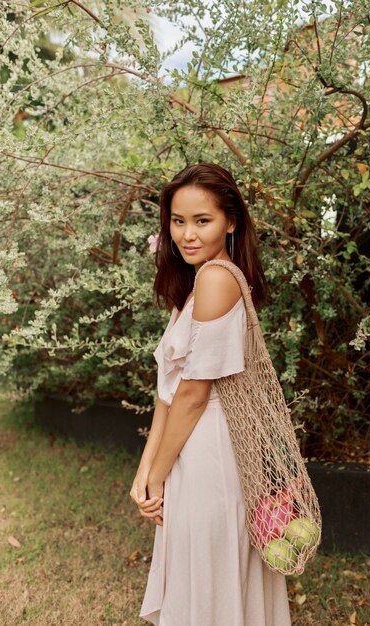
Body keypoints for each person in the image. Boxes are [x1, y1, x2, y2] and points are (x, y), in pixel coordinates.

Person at [130, 163, 292, 625]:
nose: (187, 234)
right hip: (187, 447)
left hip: (210, 452)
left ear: (231, 220)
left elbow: (194, 396)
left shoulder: (217, 279)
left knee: (208, 583)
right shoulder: (192, 286)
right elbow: (168, 392)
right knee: (200, 579)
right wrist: (146, 471)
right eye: (178, 221)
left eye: (203, 220)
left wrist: (157, 475)